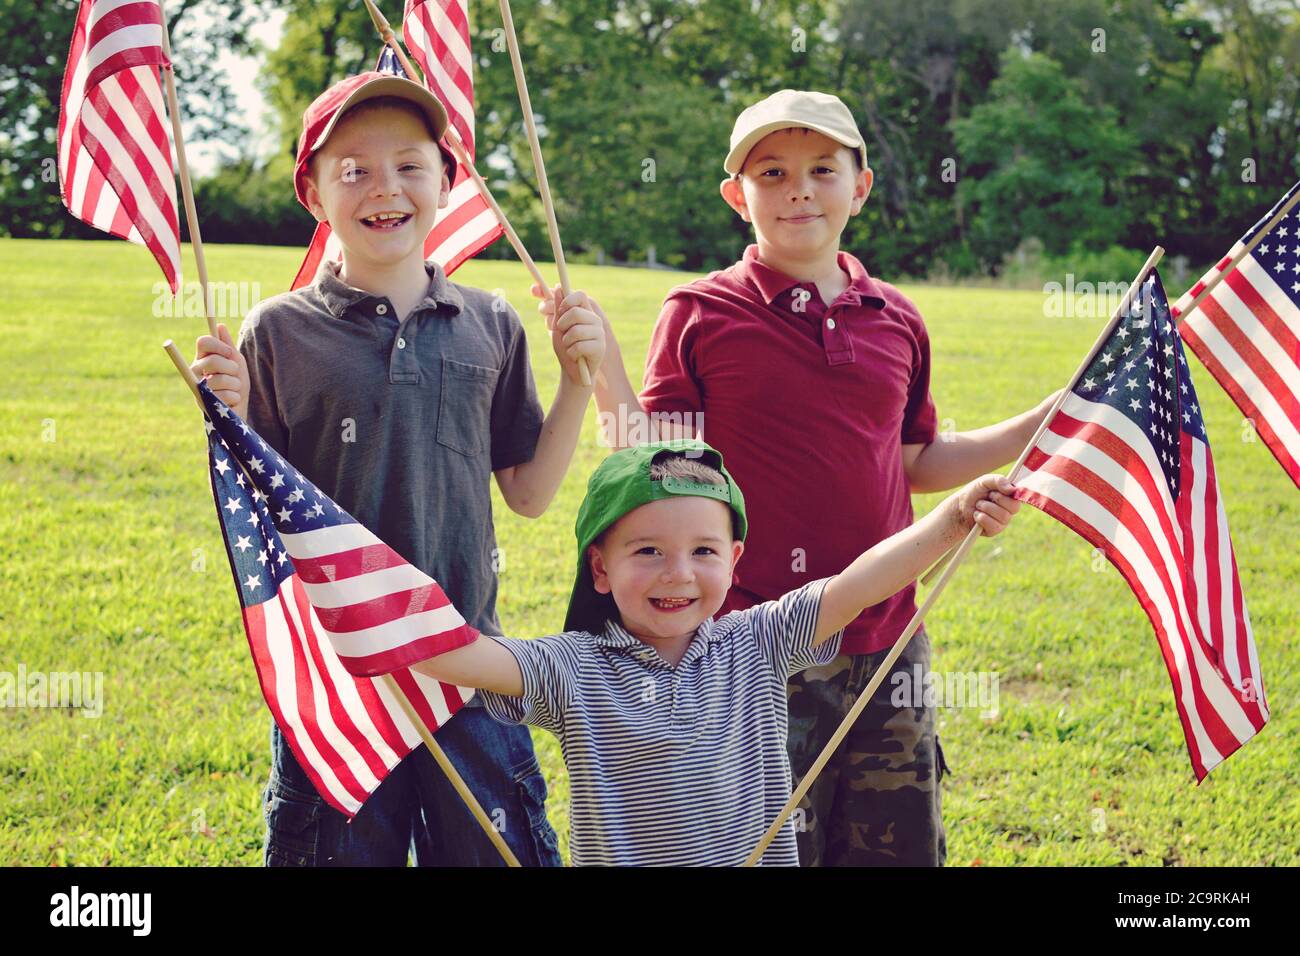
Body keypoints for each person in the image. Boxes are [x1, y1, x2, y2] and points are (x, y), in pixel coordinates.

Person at [537, 89, 1059, 866]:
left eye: (822, 169)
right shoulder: (701, 313)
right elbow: (658, 460)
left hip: (888, 640)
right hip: (755, 649)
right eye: (772, 172)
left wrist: (1040, 420)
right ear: (736, 195)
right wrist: (605, 365)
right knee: (771, 843)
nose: (798, 190)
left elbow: (913, 460)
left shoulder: (897, 318)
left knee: (897, 841)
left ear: (861, 186)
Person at [190, 70, 605, 865]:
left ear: (448, 181)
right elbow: (260, 517)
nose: (386, 188)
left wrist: (578, 386)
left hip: (470, 662)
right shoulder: (277, 331)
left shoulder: (490, 321)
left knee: (493, 850)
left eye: (411, 165)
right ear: (313, 193)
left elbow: (528, 492)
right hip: (345, 672)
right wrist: (231, 419)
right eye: (354, 170)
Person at [411, 439, 1021, 865]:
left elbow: (856, 586)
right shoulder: (572, 668)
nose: (677, 575)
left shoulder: (755, 642)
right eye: (647, 551)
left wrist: (951, 519)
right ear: (600, 568)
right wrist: (354, 603)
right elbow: (466, 656)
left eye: (703, 552)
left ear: (733, 562)